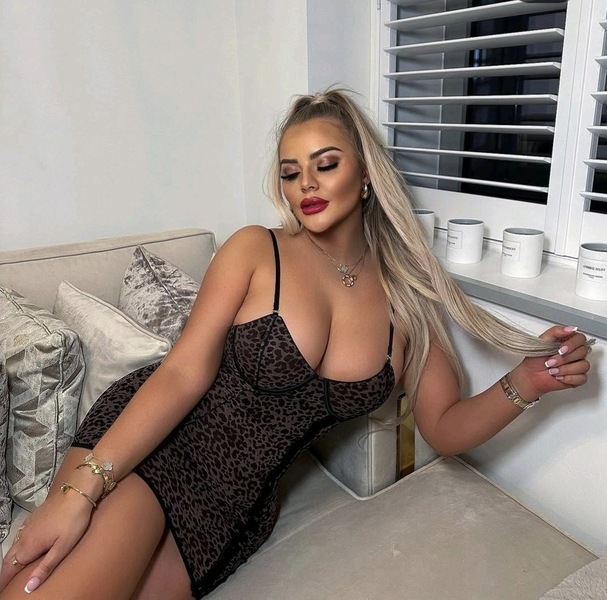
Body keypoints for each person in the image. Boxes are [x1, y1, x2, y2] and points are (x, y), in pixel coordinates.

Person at [0, 88, 592, 600]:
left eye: (325, 164)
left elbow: (445, 427)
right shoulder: (256, 249)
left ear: (366, 175)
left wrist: (527, 383)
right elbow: (181, 373)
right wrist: (80, 491)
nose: (305, 182)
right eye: (290, 172)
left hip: (238, 507)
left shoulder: (408, 303)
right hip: (155, 449)